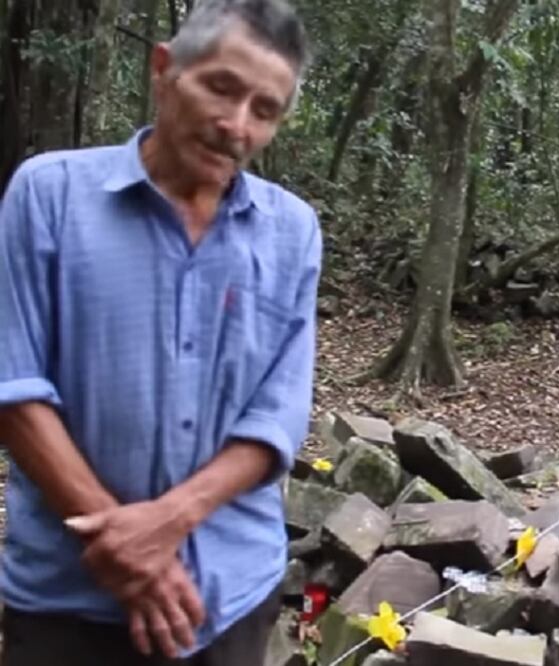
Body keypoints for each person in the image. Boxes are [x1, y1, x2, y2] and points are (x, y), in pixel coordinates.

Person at [0, 0, 321, 663]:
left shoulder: (292, 232)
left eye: (264, 110)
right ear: (164, 69)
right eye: (221, 88)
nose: (236, 124)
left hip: (230, 596)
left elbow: (278, 415)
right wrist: (122, 546)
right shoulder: (48, 197)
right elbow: (14, 385)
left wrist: (169, 520)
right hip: (67, 600)